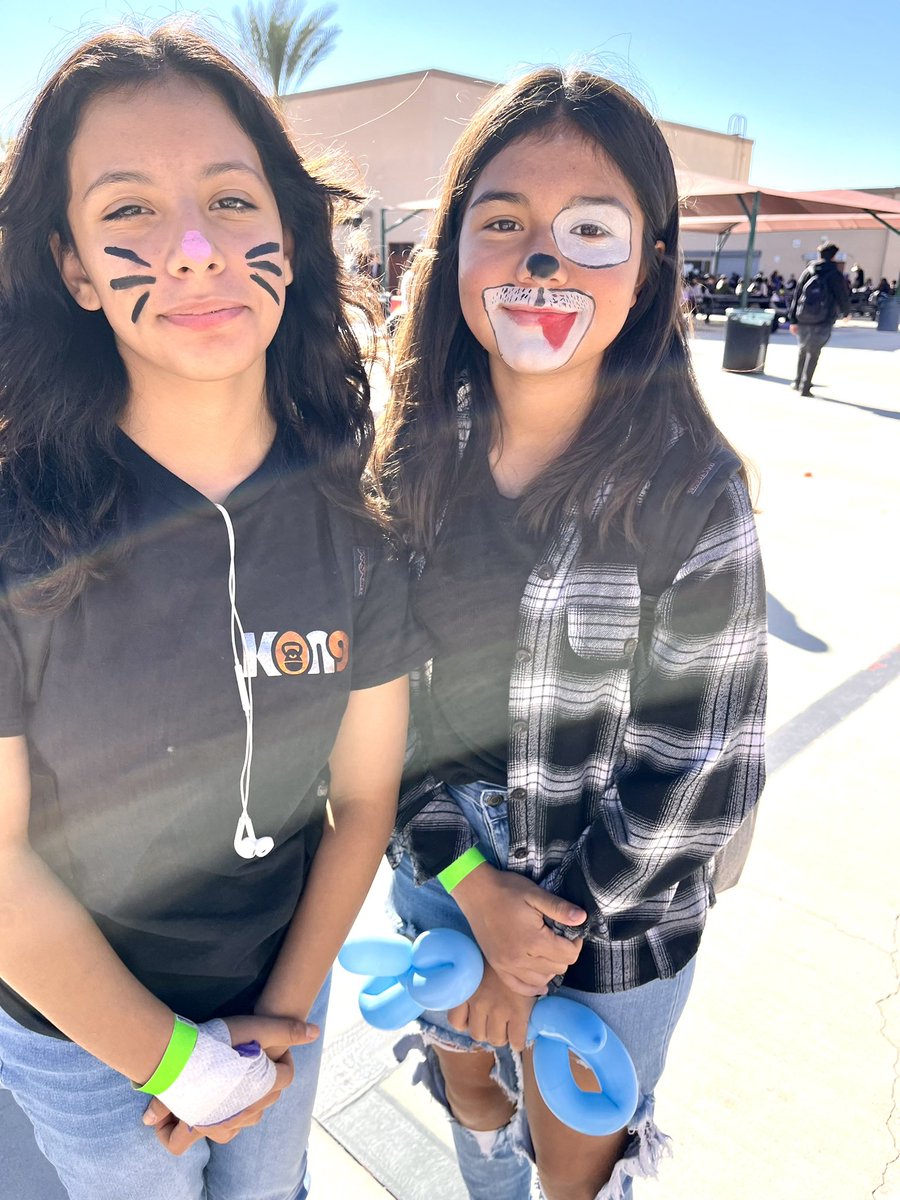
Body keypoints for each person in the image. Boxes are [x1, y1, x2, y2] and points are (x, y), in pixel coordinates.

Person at [0, 26, 426, 1200]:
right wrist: (185, 1065)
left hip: (283, 1000)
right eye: (128, 211)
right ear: (74, 267)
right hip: (87, 1049)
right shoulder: (13, 528)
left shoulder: (354, 522)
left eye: (232, 201)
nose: (194, 251)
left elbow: (364, 799)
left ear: (287, 234)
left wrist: (277, 1028)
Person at [378, 67, 767, 1200]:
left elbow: (702, 769)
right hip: (440, 885)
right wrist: (468, 884)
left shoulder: (690, 491)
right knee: (470, 1098)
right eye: (503, 223)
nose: (542, 260)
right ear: (454, 256)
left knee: (572, 1170)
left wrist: (544, 944)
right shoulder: (404, 466)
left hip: (616, 922)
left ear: (648, 269)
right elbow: (371, 717)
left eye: (589, 228)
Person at [788, 241, 851, 395]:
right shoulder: (835, 274)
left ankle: (797, 381)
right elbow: (841, 295)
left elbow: (797, 295)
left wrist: (793, 319)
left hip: (803, 316)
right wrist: (846, 312)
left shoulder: (808, 270)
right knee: (814, 351)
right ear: (834, 256)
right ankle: (805, 386)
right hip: (824, 318)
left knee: (802, 349)